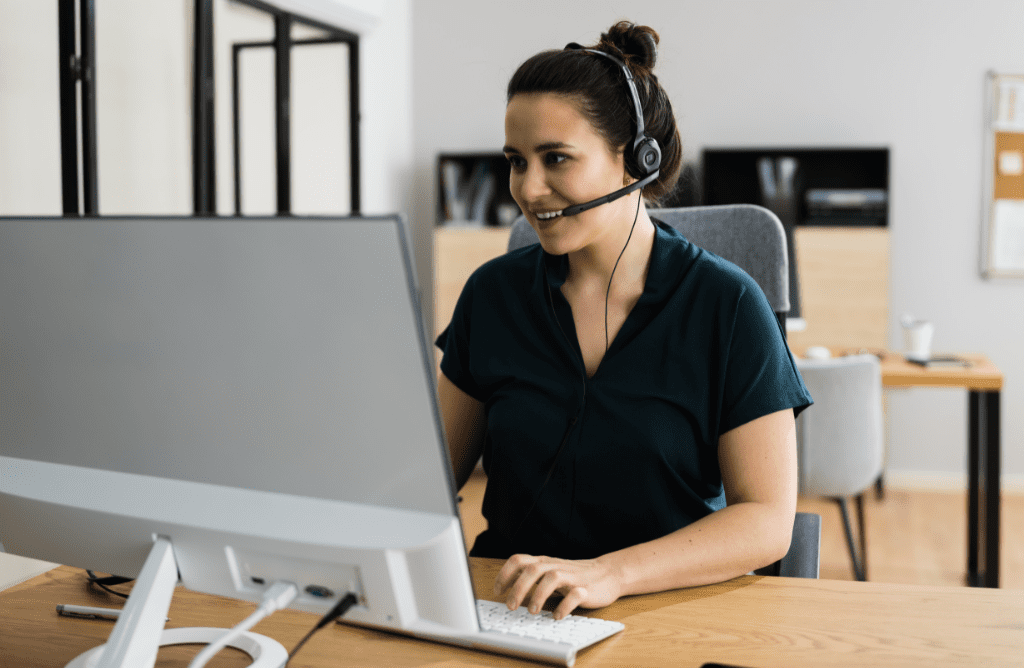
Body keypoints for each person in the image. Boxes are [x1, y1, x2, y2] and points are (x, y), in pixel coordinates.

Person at [435, 21, 812, 621]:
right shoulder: (491, 295)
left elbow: (766, 522)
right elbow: (429, 483)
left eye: (556, 158)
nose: (529, 190)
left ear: (638, 160)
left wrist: (611, 574)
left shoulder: (728, 306)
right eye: (516, 161)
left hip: (670, 609)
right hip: (512, 611)